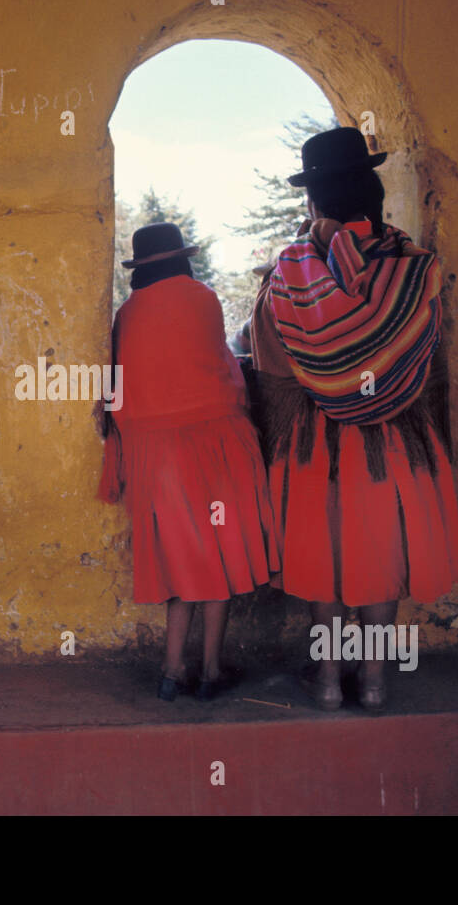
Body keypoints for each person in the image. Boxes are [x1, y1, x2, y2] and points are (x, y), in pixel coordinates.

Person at [250, 127, 458, 711]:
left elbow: (271, 364)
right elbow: (429, 352)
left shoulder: (292, 272)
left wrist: (324, 380)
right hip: (397, 438)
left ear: (314, 201)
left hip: (314, 442)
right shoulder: (415, 269)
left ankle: (325, 682)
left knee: (325, 560)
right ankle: (373, 682)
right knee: (381, 555)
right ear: (374, 197)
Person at [98, 222, 277, 701]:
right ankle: (212, 671)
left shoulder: (126, 316)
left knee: (182, 563)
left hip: (156, 458)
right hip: (217, 445)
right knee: (217, 559)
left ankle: (171, 671)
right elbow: (222, 365)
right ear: (182, 258)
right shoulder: (204, 299)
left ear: (140, 269)